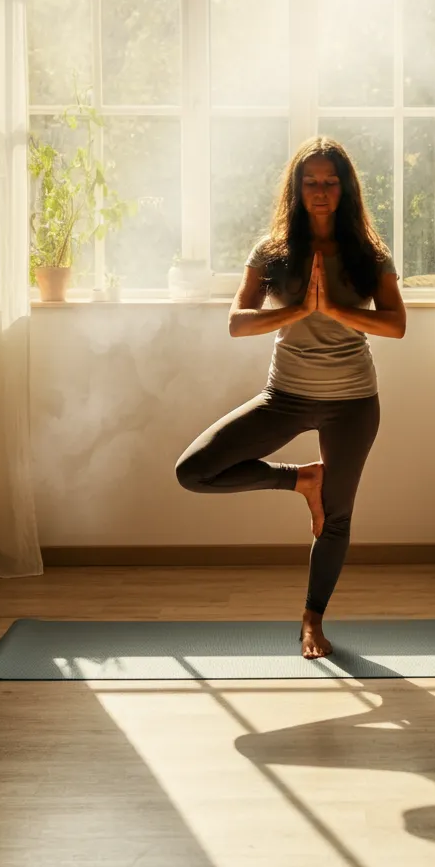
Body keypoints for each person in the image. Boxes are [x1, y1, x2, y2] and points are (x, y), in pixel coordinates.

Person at [175, 136, 407, 659]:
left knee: (338, 517)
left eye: (330, 182)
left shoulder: (369, 254)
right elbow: (237, 323)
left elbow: (396, 325)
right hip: (286, 395)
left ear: (345, 189)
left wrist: (337, 311)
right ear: (296, 190)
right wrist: (300, 309)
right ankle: (302, 479)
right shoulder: (273, 251)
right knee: (194, 470)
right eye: (311, 182)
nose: (320, 191)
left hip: (352, 402)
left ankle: (312, 619)